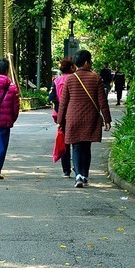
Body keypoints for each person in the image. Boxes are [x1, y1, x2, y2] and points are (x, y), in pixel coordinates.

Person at [57, 49, 112, 189]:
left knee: (76, 147)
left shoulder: (70, 79)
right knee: (86, 147)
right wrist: (107, 120)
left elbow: (63, 102)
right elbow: (102, 102)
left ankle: (78, 176)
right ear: (87, 62)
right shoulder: (96, 78)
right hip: (90, 118)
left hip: (73, 118)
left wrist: (60, 121)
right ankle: (84, 175)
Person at [50, 57, 76, 178]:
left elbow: (52, 98)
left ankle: (66, 170)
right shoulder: (75, 79)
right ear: (71, 68)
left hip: (62, 114)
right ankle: (77, 166)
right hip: (75, 113)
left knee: (65, 142)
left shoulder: (57, 81)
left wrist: (59, 114)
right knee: (76, 141)